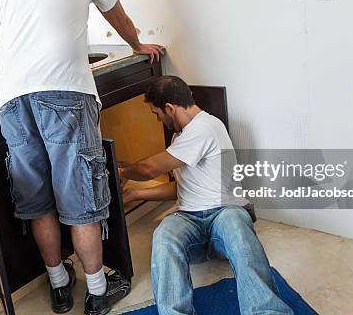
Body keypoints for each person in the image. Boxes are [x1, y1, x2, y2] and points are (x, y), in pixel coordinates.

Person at [0, 0, 163, 315]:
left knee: (37, 198)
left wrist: (19, 72)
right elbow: (118, 17)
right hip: (65, 94)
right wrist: (137, 46)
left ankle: (60, 286)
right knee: (80, 197)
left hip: (12, 100)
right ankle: (97, 291)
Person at [119, 76, 294, 315]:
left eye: (156, 113)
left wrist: (122, 171)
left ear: (169, 108)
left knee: (236, 226)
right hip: (189, 221)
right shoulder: (180, 137)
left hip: (224, 214)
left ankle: (268, 312)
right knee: (164, 235)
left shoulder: (206, 128)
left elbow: (149, 169)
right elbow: (183, 187)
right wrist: (136, 193)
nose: (158, 119)